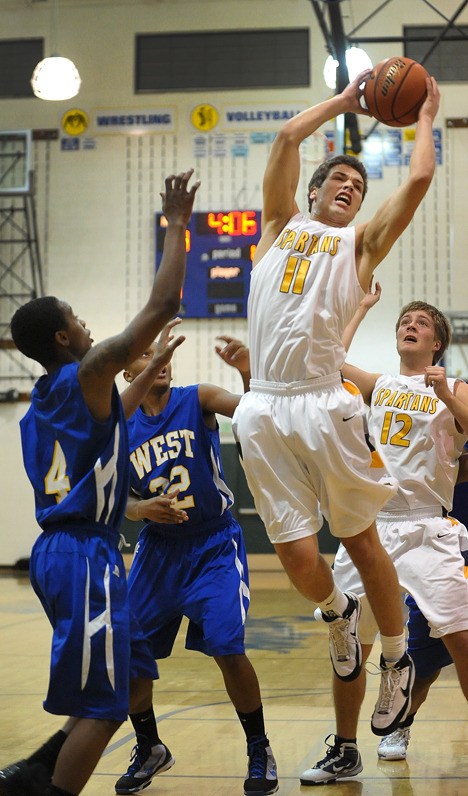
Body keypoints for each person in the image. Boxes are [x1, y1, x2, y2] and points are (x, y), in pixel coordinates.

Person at [232, 68, 440, 745]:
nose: (349, 189)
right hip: (262, 408)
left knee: (359, 540)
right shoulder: (276, 228)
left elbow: (414, 184)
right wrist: (347, 103)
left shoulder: (361, 245)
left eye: (358, 187)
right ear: (312, 191)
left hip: (325, 404)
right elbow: (290, 134)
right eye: (338, 182)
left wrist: (427, 117)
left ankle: (397, 656)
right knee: (297, 560)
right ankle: (335, 611)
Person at [0, 170, 199, 796]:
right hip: (84, 554)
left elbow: (109, 420)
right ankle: (49, 788)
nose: (89, 327)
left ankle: (39, 767)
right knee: (105, 705)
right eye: (80, 320)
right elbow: (162, 305)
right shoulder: (83, 372)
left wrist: (151, 370)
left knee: (133, 669)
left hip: (70, 552)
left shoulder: (45, 401)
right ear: (65, 337)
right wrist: (176, 223)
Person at [301, 292, 468, 784]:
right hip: (371, 527)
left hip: (427, 526)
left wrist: (447, 397)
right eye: (404, 321)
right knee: (349, 641)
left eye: (421, 323)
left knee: (460, 636)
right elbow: (327, 359)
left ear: (437, 341)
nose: (410, 326)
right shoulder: (379, 384)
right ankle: (346, 748)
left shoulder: (455, 385)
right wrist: (362, 309)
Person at [111, 323, 278, 796]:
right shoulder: (119, 424)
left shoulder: (197, 397)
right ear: (127, 371)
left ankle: (259, 747)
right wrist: (139, 509)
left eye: (164, 351)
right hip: (158, 549)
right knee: (131, 654)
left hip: (212, 543)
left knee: (228, 646)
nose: (161, 357)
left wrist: (248, 373)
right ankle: (149, 748)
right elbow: (114, 499)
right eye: (147, 354)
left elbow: (255, 416)